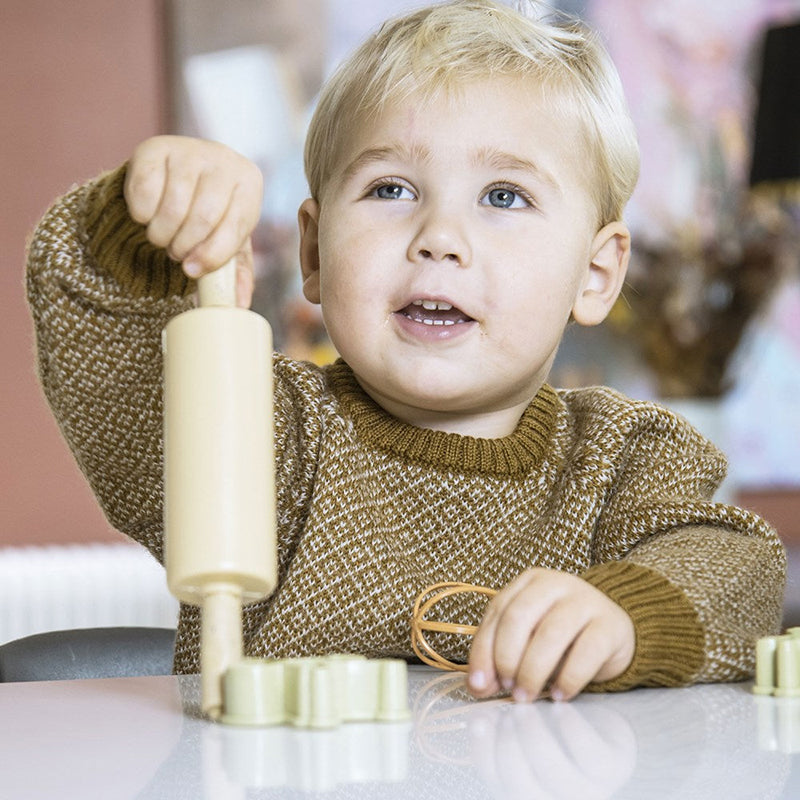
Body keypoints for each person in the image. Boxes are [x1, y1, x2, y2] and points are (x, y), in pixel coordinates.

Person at [26, 0, 785, 704]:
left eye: (503, 197)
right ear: (316, 252)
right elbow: (112, 367)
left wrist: (625, 614)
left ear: (594, 276)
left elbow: (743, 571)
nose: (439, 238)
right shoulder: (261, 434)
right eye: (391, 189)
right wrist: (143, 226)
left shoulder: (627, 461)